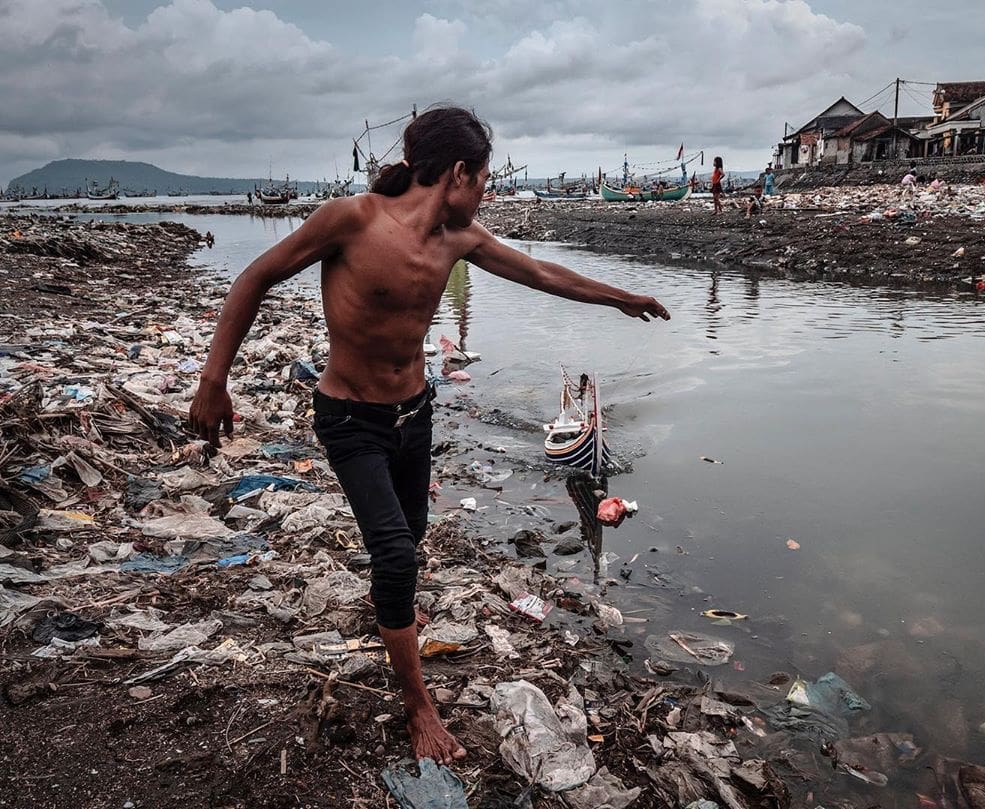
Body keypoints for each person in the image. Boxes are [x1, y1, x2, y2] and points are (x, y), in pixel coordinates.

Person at [188, 106, 669, 766]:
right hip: (350, 417)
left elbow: (543, 273)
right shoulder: (351, 221)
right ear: (459, 172)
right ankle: (419, 707)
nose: (486, 193)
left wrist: (620, 296)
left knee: (406, 540)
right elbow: (254, 277)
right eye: (485, 179)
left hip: (416, 412)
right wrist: (215, 378)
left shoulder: (459, 238)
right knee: (395, 552)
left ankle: (390, 614)